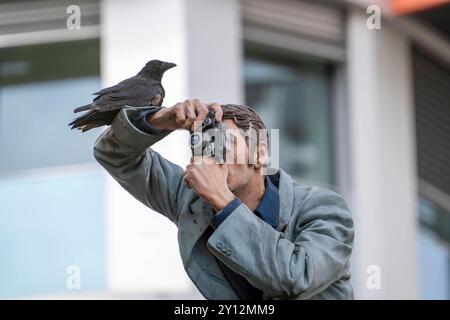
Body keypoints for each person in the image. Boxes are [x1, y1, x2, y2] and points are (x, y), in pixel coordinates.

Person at [93, 99, 355, 299]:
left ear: (260, 153)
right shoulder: (191, 200)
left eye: (225, 144)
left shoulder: (323, 208)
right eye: (205, 144)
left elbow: (298, 277)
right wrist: (160, 120)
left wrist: (224, 202)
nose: (213, 154)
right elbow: (113, 154)